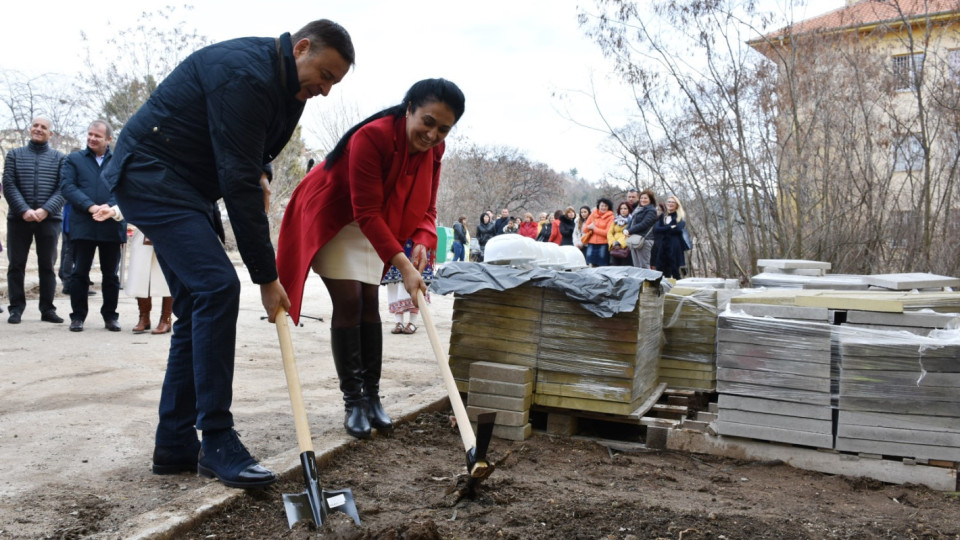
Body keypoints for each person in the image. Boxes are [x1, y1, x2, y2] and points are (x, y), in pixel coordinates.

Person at [100, 20, 355, 489]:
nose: (325, 90)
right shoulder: (245, 73)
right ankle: (216, 437)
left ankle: (175, 443)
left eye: (334, 83)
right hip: (152, 173)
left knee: (199, 300)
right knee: (219, 286)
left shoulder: (289, 91)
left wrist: (261, 171)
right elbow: (235, 176)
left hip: (188, 183)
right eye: (325, 75)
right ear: (301, 48)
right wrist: (267, 276)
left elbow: (252, 153)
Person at [276, 78, 465, 441]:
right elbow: (365, 212)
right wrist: (405, 266)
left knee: (368, 306)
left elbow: (428, 206)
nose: (432, 135)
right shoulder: (372, 137)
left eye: (444, 129)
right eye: (427, 121)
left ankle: (372, 398)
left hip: (378, 221)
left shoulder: (434, 152)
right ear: (409, 107)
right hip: (335, 216)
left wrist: (424, 239)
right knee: (349, 301)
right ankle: (353, 402)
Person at [60, 120, 126, 332]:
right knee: (79, 273)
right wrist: (90, 207)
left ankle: (110, 316)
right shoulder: (74, 159)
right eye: (89, 134)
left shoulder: (119, 160)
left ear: (108, 139)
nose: (91, 138)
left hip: (111, 225)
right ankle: (77, 317)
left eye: (97, 135)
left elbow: (125, 188)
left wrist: (110, 207)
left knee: (111, 275)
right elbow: (68, 187)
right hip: (83, 224)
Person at [3, 117, 66, 324]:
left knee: (47, 265)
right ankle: (16, 308)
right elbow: (9, 185)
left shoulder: (60, 158)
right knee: (16, 265)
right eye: (35, 126)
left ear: (51, 134)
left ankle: (47, 309)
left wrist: (46, 210)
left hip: (49, 220)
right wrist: (24, 210)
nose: (38, 129)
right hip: (19, 219)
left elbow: (63, 187)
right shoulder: (14, 155)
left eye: (43, 127)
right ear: (30, 129)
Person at [125, 227, 174, 334]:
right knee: (140, 277)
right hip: (142, 233)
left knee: (167, 280)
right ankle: (144, 318)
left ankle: (166, 320)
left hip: (169, 232)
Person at [652, 195, 687, 280]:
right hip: (662, 246)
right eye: (669, 202)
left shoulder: (680, 217)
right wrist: (669, 227)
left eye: (673, 202)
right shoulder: (662, 216)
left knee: (675, 271)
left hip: (674, 247)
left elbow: (678, 229)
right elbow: (656, 229)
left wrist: (664, 229)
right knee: (661, 271)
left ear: (677, 205)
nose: (670, 204)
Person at [625, 189, 658, 268]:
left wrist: (629, 231)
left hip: (645, 240)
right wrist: (625, 229)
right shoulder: (638, 209)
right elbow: (631, 222)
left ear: (650, 199)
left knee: (644, 265)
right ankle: (639, 280)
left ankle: (647, 280)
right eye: (641, 198)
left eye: (645, 198)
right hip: (635, 239)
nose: (643, 200)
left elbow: (644, 224)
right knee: (636, 266)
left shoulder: (652, 211)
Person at [583, 198, 614, 267]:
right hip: (591, 243)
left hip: (603, 244)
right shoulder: (593, 215)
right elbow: (584, 229)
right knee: (590, 264)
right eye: (602, 205)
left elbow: (607, 233)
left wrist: (594, 229)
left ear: (608, 207)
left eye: (606, 206)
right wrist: (589, 227)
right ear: (598, 206)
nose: (603, 208)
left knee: (602, 265)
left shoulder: (611, 217)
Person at [607, 201, 632, 267]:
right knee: (614, 267)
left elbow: (629, 234)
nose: (623, 210)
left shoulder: (631, 220)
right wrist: (613, 242)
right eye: (621, 209)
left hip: (625, 247)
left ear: (629, 209)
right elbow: (610, 233)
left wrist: (620, 243)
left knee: (625, 267)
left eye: (625, 208)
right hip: (614, 247)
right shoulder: (615, 220)